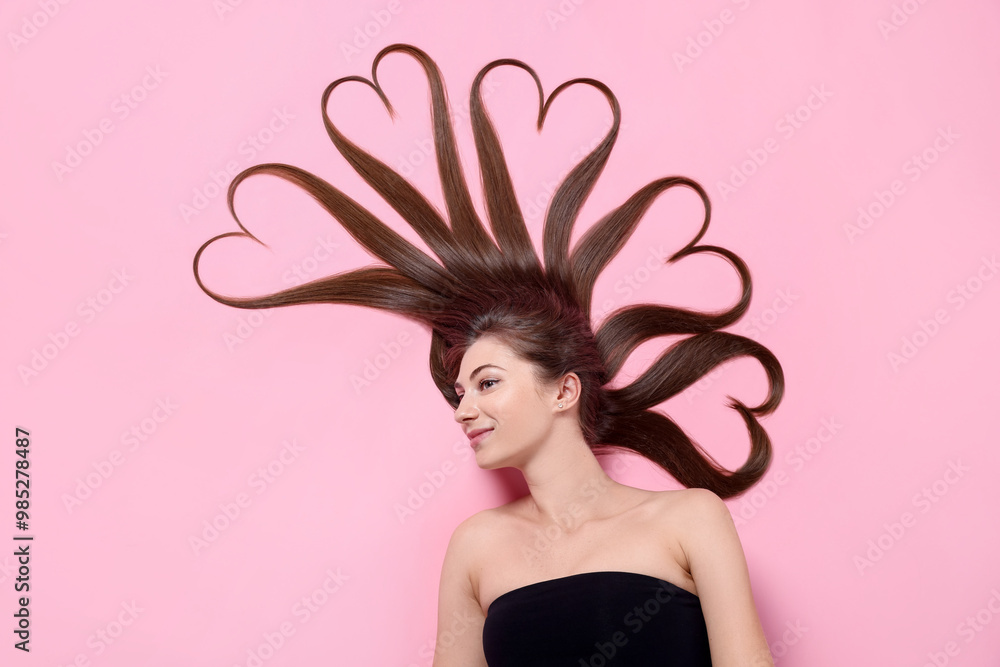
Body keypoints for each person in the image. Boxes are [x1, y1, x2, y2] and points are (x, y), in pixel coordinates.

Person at [194, 44, 782, 666]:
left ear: (563, 390)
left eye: (487, 383)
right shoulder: (477, 548)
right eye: (459, 392)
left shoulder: (690, 521)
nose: (463, 409)